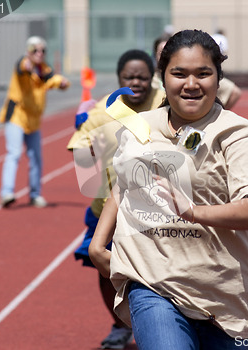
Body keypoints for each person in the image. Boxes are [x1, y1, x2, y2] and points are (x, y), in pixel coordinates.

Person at [89, 29, 248, 349]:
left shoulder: (238, 135)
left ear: (218, 78)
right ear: (162, 78)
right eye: (179, 73)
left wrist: (194, 212)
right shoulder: (140, 127)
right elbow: (124, 182)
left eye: (203, 74)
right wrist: (99, 244)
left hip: (221, 296)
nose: (191, 84)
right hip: (151, 282)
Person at [67, 49, 164, 349]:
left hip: (153, 209)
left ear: (152, 78)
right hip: (107, 210)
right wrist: (89, 151)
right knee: (105, 270)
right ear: (119, 78)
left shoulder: (165, 101)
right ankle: (120, 325)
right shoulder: (103, 109)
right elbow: (79, 152)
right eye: (129, 77)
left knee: (156, 272)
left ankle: (162, 325)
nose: (136, 81)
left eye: (142, 77)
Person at [0, 36, 70, 208]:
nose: (39, 53)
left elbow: (54, 80)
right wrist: (26, 63)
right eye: (34, 50)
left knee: (36, 158)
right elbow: (21, 67)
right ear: (28, 52)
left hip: (34, 120)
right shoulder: (24, 66)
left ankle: (35, 194)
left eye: (42, 50)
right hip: (16, 116)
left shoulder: (44, 70)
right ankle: (6, 192)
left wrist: (62, 83)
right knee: (13, 153)